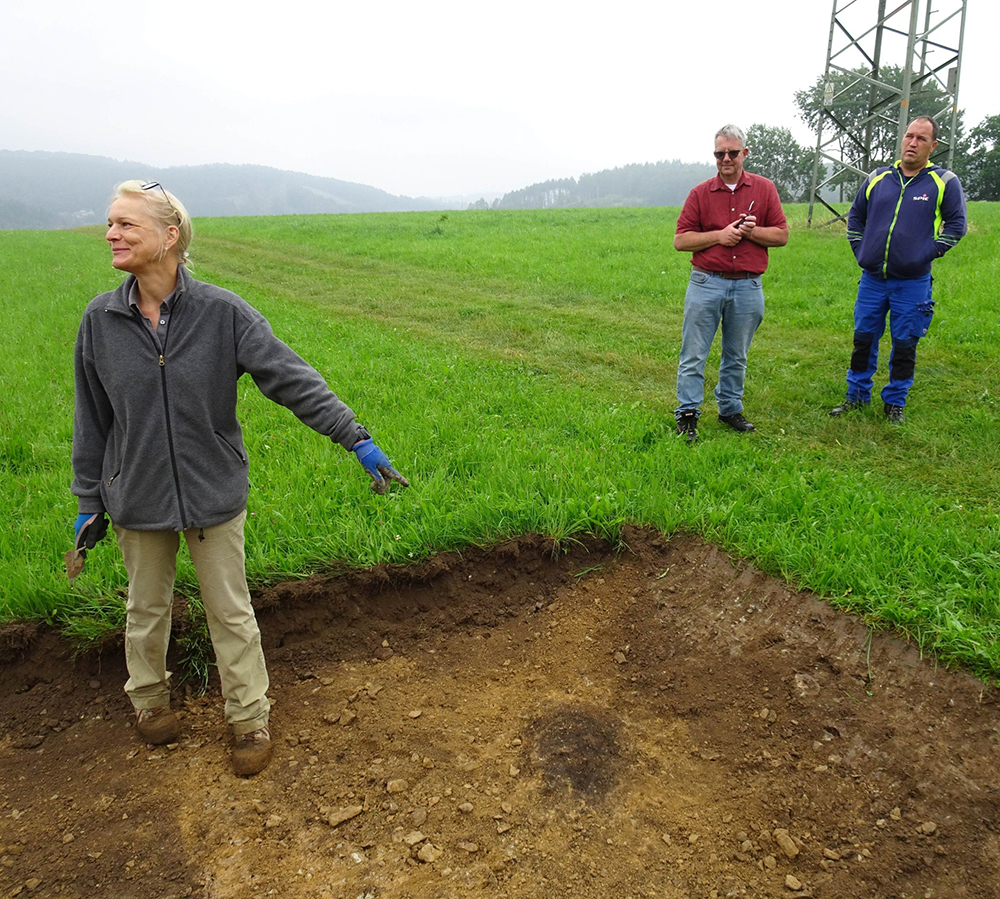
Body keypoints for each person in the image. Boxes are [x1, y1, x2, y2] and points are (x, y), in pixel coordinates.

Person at [71, 180, 408, 777]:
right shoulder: (100, 321)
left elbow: (291, 377)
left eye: (126, 224)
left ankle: (249, 718)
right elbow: (92, 419)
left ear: (169, 236)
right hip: (138, 494)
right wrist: (89, 499)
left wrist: (355, 436)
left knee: (230, 610)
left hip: (212, 493)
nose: (111, 234)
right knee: (145, 609)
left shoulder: (222, 314)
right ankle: (149, 704)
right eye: (111, 223)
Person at [830, 115, 967, 423]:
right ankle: (856, 396)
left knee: (905, 343)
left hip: (913, 282)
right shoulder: (878, 177)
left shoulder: (943, 182)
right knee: (863, 338)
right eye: (909, 136)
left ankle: (895, 402)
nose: (912, 143)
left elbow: (957, 225)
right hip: (872, 280)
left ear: (932, 146)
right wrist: (860, 249)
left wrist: (928, 253)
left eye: (921, 139)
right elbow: (855, 217)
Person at [673, 124, 789, 443]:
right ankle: (687, 413)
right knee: (694, 352)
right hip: (706, 282)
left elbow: (781, 235)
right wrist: (719, 236)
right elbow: (681, 241)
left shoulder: (764, 189)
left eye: (732, 152)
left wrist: (752, 232)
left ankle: (729, 409)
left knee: (737, 353)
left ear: (744, 154)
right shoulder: (700, 193)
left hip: (748, 286)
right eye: (720, 153)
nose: (726, 158)